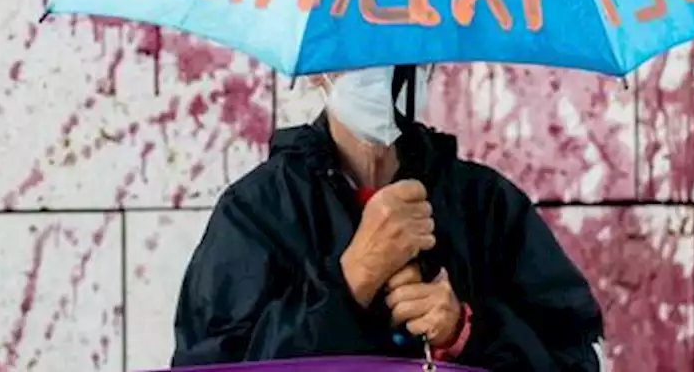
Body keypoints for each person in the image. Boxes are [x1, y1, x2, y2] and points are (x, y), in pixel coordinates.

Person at [170, 64, 606, 371]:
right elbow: (212, 365)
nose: (378, 69)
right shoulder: (256, 213)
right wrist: (350, 282)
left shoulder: (485, 204)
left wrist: (465, 332)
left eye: (399, 47)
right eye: (352, 51)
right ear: (316, 70)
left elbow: (573, 358)